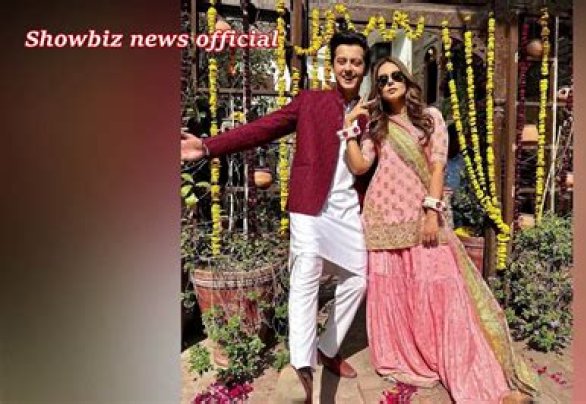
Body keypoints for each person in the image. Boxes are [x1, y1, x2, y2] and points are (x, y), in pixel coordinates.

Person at [181, 31, 376, 404]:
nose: (349, 68)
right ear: (333, 65)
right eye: (342, 61)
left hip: (346, 209)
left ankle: (326, 347)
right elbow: (263, 127)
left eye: (356, 62)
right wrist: (206, 147)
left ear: (364, 68)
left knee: (358, 279)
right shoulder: (311, 101)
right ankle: (302, 369)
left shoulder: (370, 114)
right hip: (309, 205)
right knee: (305, 276)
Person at [342, 57, 539, 403]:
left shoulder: (430, 118)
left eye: (396, 76)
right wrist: (349, 129)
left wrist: (431, 211)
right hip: (381, 221)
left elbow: (437, 167)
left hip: (421, 217)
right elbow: (360, 166)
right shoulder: (378, 127)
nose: (390, 82)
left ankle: (488, 386)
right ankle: (403, 352)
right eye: (382, 79)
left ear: (407, 80)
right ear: (378, 88)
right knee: (396, 293)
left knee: (444, 295)